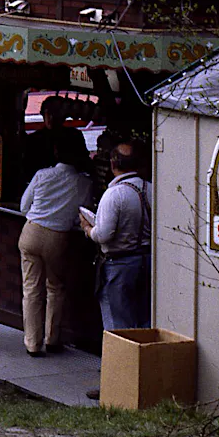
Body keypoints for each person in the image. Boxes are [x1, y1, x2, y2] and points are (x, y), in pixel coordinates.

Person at [18, 124, 91, 356]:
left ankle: (32, 343)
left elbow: (23, 207)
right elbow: (84, 212)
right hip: (59, 237)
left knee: (31, 290)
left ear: (56, 151)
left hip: (31, 231)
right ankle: (52, 338)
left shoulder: (42, 175)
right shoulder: (84, 182)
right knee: (55, 288)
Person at [82, 136, 153, 333]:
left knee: (117, 324)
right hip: (147, 261)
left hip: (119, 264)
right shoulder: (151, 189)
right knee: (144, 320)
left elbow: (103, 235)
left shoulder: (114, 194)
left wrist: (88, 229)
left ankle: (120, 363)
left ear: (113, 164)